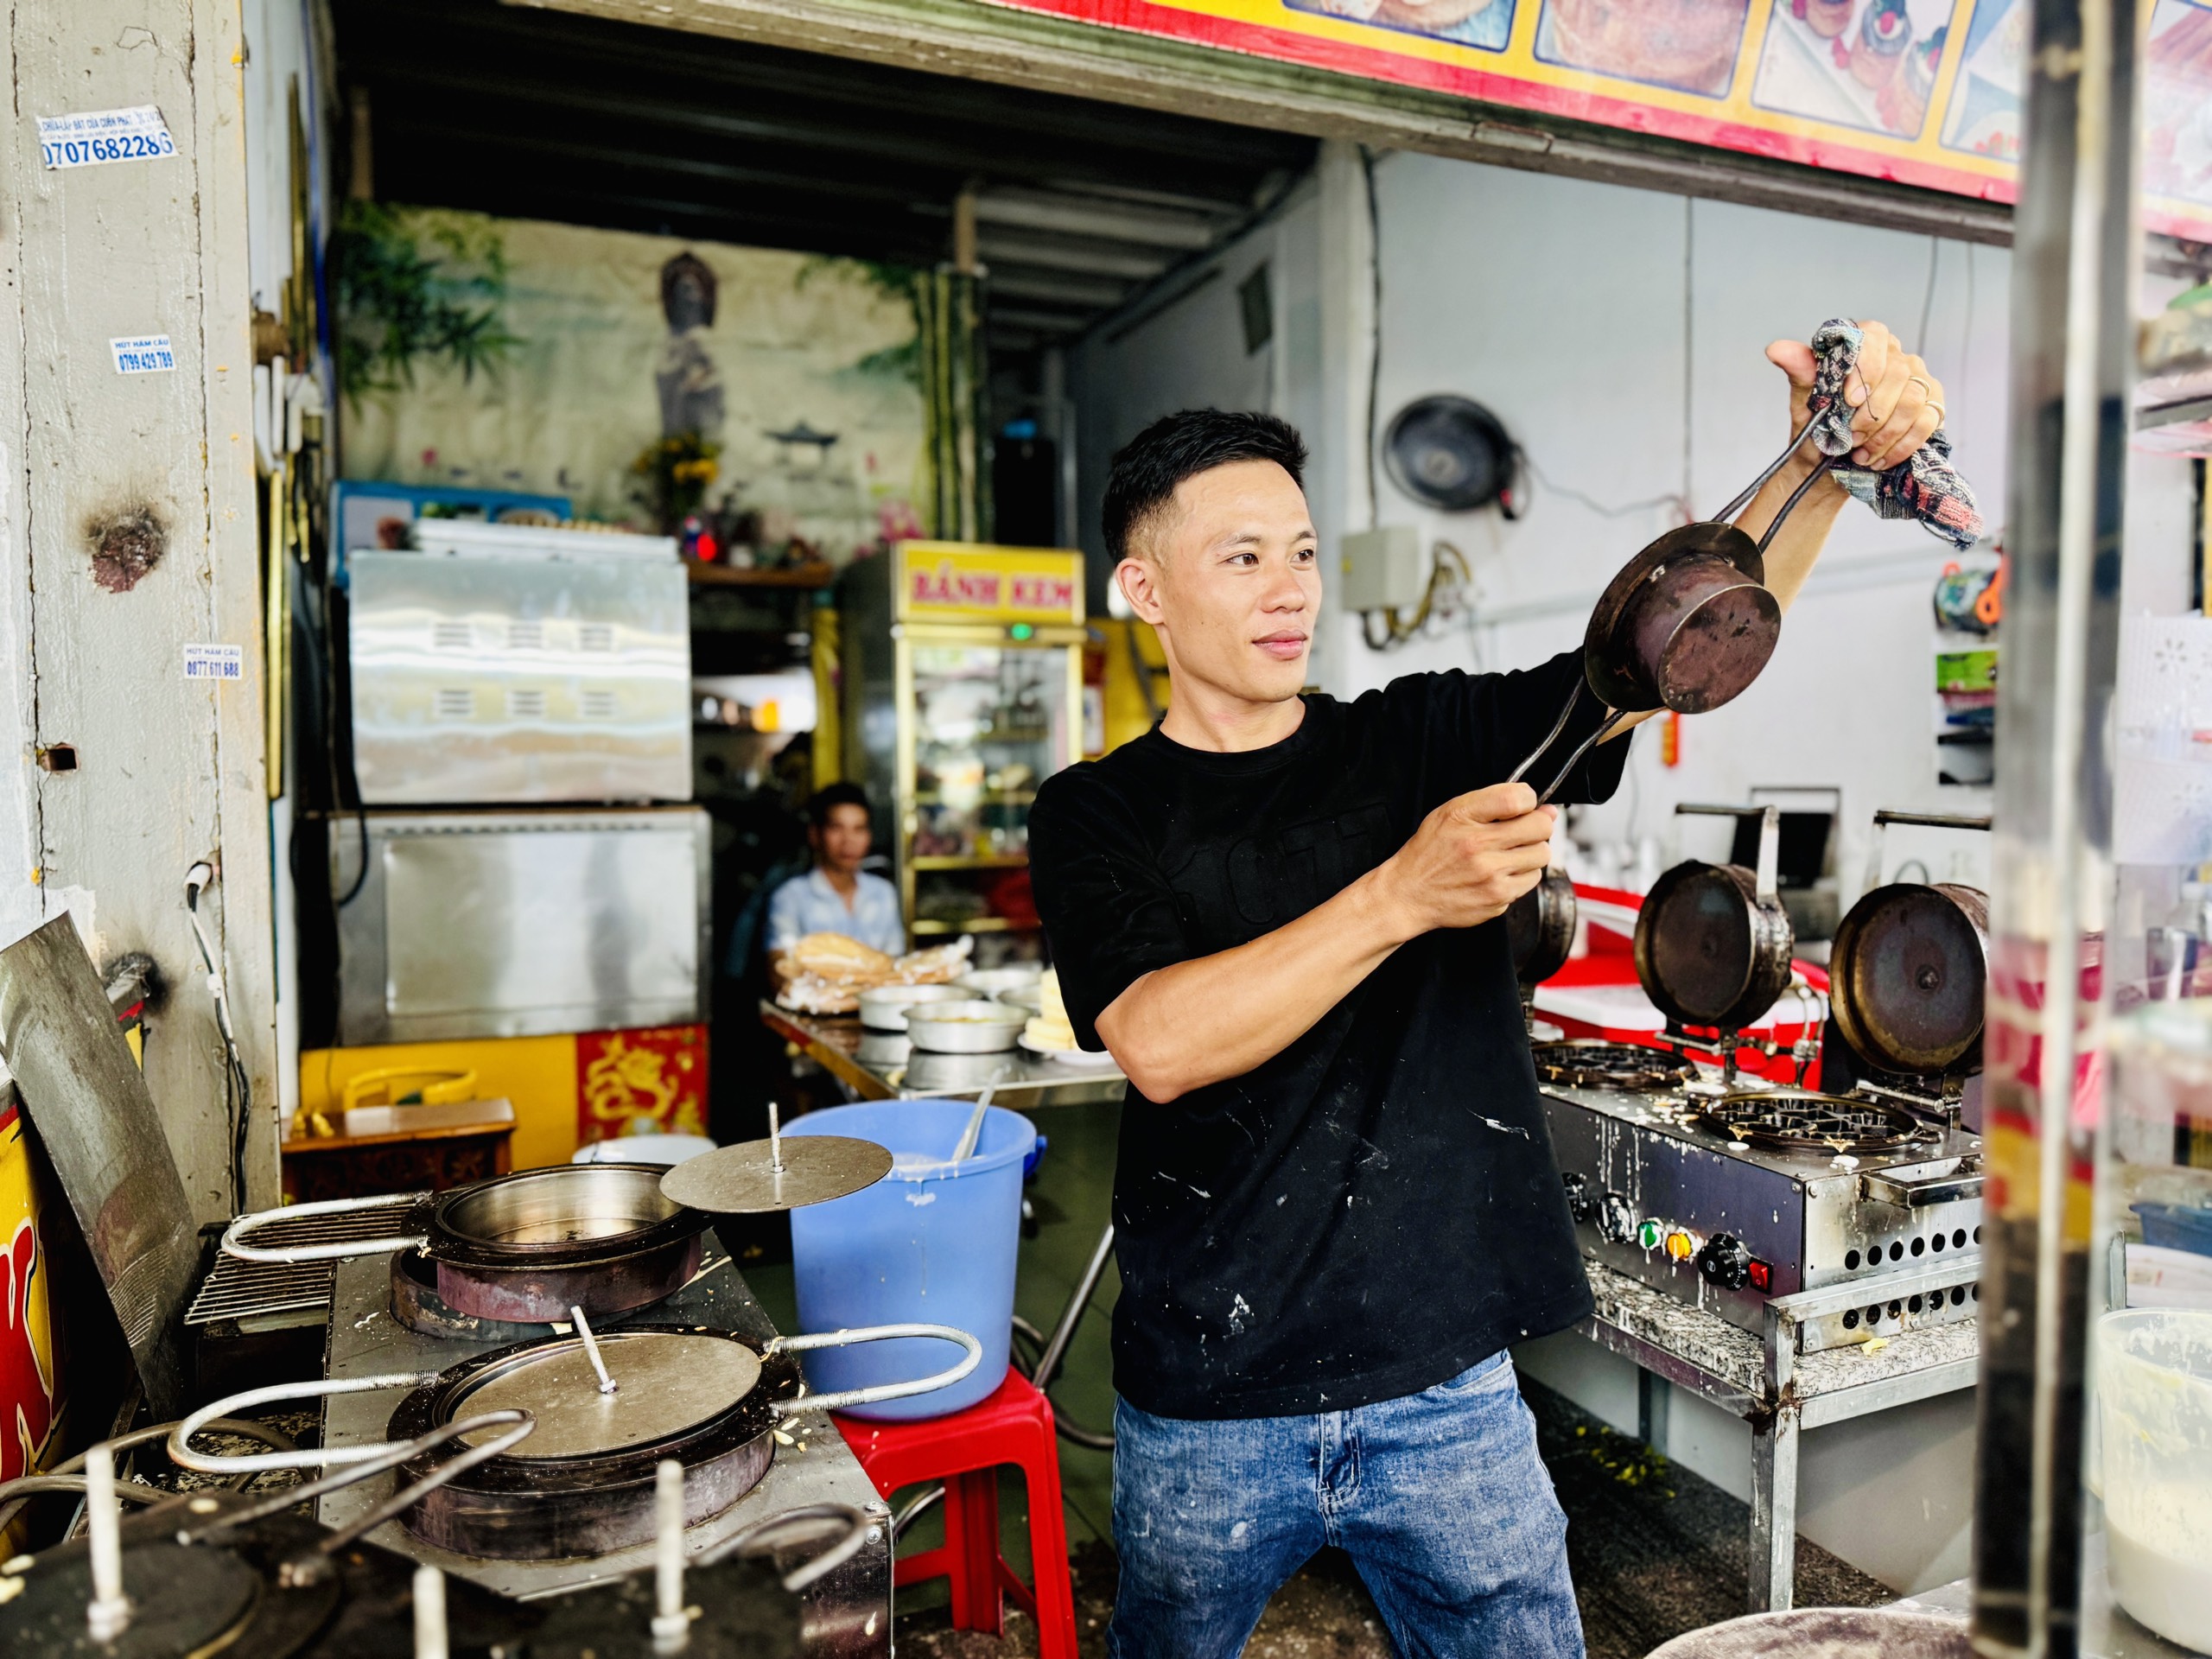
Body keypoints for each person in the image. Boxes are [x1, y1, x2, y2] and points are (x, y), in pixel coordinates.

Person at [1027, 325, 1947, 1659]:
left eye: (1300, 553)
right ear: (1145, 589)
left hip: (1443, 1387)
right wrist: (1404, 894)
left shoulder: (1416, 740)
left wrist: (1816, 462)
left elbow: (1660, 657)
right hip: (1210, 1397)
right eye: (1241, 560)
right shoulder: (1097, 813)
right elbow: (1160, 1043)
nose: (1289, 590)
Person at [766, 783, 905, 961]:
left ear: (869, 836)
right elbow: (781, 970)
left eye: (859, 829)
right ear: (815, 835)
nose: (848, 841)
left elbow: (894, 962)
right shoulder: (789, 898)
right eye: (836, 828)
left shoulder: (883, 893)